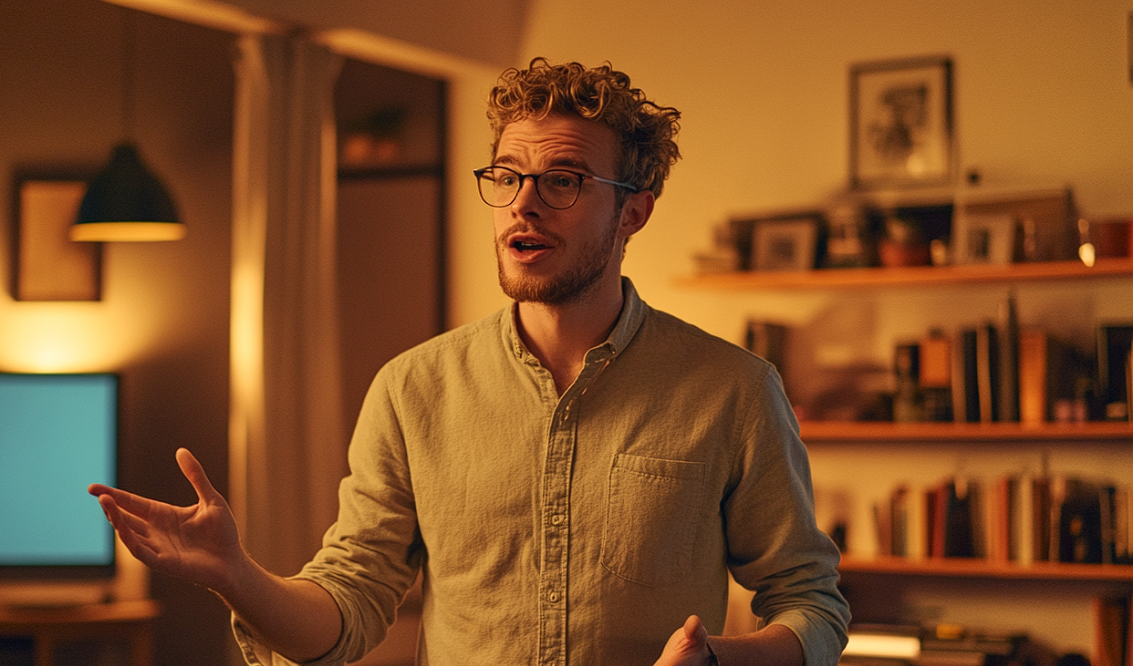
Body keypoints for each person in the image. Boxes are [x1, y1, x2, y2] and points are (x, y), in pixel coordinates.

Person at [90, 58, 850, 666]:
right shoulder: (412, 389)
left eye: (562, 180)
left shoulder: (733, 390)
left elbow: (810, 604)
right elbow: (348, 607)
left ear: (633, 211)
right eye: (507, 176)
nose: (523, 204)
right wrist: (238, 576)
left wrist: (719, 659)